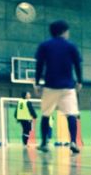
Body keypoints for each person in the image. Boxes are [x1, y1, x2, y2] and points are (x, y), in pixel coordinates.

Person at [34, 20, 82, 154]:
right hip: (68, 87)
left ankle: (44, 143)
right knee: (71, 114)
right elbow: (77, 65)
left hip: (50, 86)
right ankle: (73, 141)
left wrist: (37, 82)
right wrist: (79, 81)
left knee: (46, 114)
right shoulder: (71, 46)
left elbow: (39, 65)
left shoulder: (44, 45)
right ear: (64, 31)